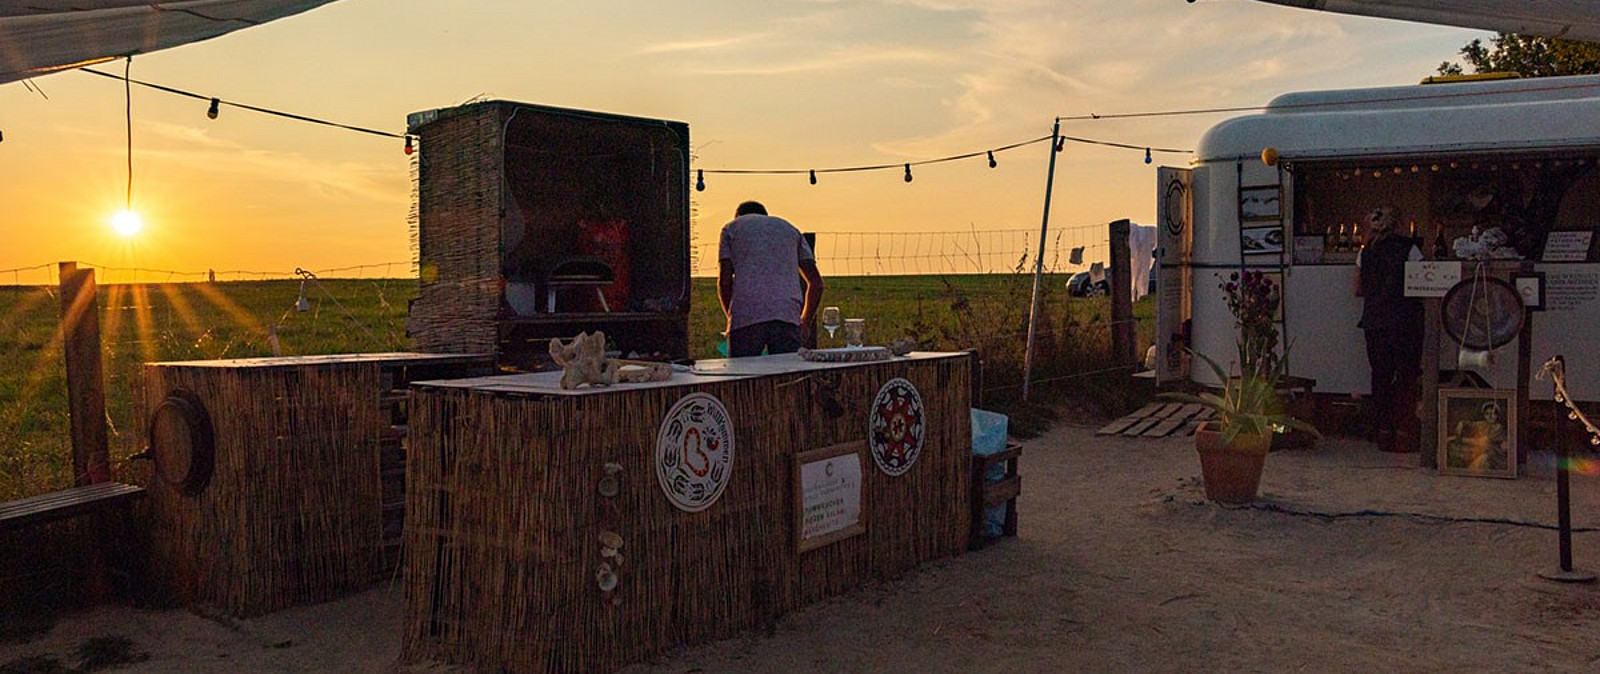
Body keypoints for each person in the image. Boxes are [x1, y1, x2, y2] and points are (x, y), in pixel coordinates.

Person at [1353, 205, 1424, 453]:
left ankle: (1383, 431)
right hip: (1405, 321)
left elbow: (1357, 289)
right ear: (1399, 224)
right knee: (1406, 377)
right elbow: (1421, 283)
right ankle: (1404, 432)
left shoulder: (1365, 252)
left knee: (1380, 376)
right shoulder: (1410, 249)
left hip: (1374, 321)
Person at [718, 201, 825, 357]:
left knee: (743, 375)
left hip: (747, 314)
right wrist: (805, 321)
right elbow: (816, 283)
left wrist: (732, 317)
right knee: (786, 374)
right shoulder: (790, 229)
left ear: (738, 217)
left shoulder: (731, 229)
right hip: (787, 315)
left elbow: (725, 282)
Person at [1447, 400, 1509, 471]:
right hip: (1481, 452)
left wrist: (1457, 439)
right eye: (1487, 413)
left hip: (1494, 457)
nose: (1490, 416)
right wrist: (1461, 423)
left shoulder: (1498, 427)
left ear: (1497, 415)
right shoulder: (1482, 424)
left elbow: (1482, 442)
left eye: (1493, 413)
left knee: (1481, 462)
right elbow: (1469, 424)